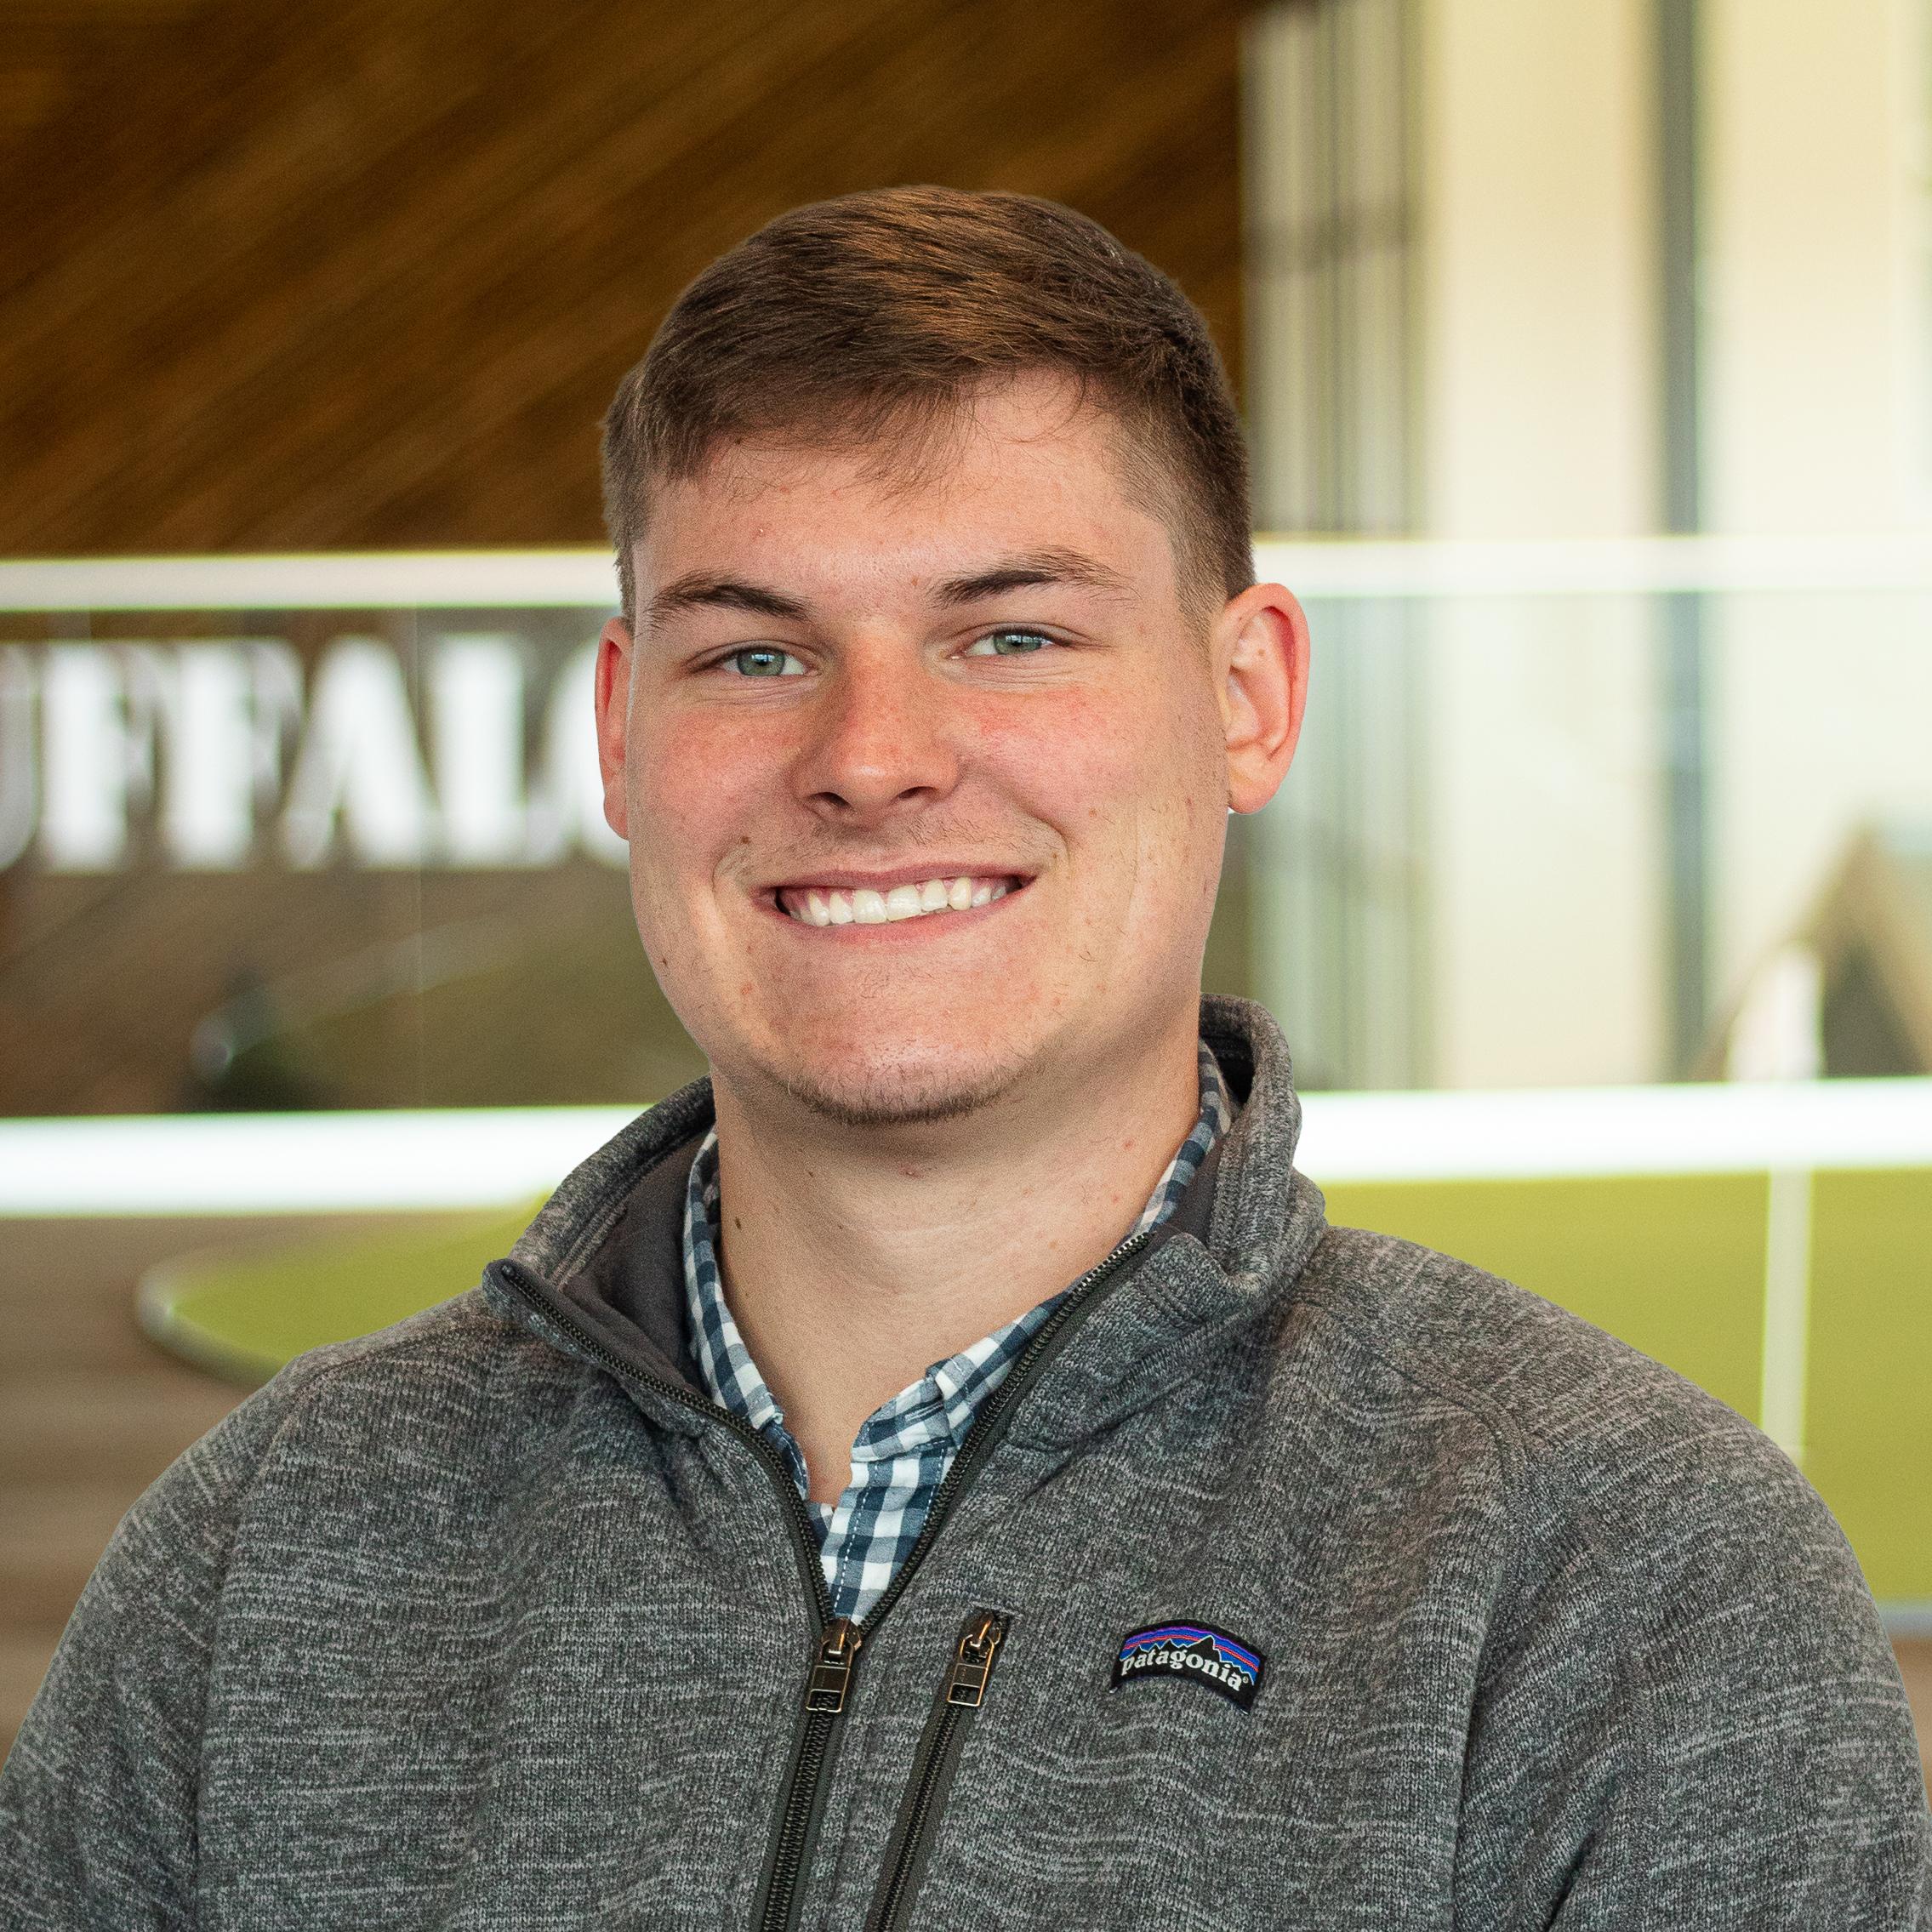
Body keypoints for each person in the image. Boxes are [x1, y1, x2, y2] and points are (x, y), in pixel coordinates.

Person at [2, 187, 1925, 1929]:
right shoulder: (269, 1557)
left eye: (1006, 634)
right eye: (752, 654)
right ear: (618, 729)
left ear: (1246, 697)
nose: (868, 753)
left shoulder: (1625, 1586)